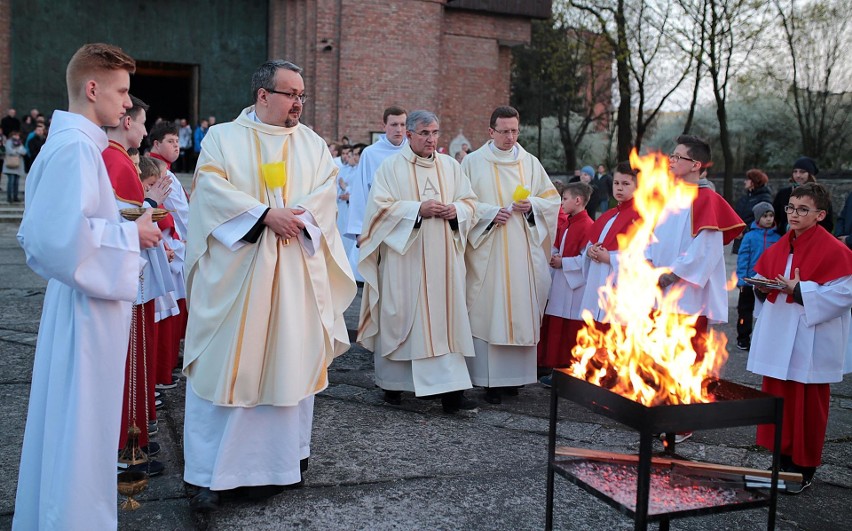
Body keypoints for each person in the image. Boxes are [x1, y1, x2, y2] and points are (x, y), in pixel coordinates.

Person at [182, 59, 355, 511]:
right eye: (290, 94)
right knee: (229, 367)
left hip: (295, 278)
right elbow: (211, 194)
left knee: (288, 362)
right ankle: (212, 473)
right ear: (263, 95)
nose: (299, 102)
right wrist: (263, 215)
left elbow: (323, 195)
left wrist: (293, 217)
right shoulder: (222, 138)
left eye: (302, 95)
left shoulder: (314, 144)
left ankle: (280, 465)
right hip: (240, 281)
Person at [13, 42, 162, 531]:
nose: (126, 103)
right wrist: (132, 232)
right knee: (79, 428)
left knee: (82, 425)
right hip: (85, 309)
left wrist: (126, 223)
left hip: (87, 304)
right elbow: (54, 239)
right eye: (121, 91)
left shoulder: (80, 145)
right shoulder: (76, 147)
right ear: (92, 88)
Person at [357, 110, 478, 413]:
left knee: (444, 321)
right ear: (409, 135)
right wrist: (416, 211)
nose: (431, 139)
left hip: (443, 261)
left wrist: (456, 212)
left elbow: (470, 202)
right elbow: (378, 212)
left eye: (435, 132)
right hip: (405, 260)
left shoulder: (451, 166)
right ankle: (394, 385)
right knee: (402, 316)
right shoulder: (390, 168)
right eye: (424, 133)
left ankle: (451, 392)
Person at [747, 183, 852, 494]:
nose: (793, 214)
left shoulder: (837, 251)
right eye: (790, 207)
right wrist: (762, 288)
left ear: (819, 214)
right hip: (781, 335)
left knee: (808, 406)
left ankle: (804, 469)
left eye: (802, 209)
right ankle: (779, 461)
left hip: (812, 339)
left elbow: (844, 293)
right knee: (778, 400)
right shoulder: (780, 246)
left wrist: (800, 290)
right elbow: (766, 282)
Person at [647, 135, 745, 444]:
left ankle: (683, 421)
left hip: (689, 297)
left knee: (687, 357)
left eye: (678, 157)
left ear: (696, 165)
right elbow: (652, 237)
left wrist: (674, 274)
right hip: (660, 292)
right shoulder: (669, 197)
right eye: (672, 156)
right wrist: (648, 264)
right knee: (660, 356)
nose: (671, 161)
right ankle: (661, 413)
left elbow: (707, 248)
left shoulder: (708, 200)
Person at [461, 106, 560, 403]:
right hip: (487, 251)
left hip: (523, 251)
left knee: (519, 309)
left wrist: (533, 208)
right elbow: (462, 202)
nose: (510, 137)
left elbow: (551, 200)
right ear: (491, 132)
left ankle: (515, 378)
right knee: (490, 311)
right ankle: (490, 381)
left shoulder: (529, 162)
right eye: (504, 131)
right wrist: (491, 214)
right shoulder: (472, 163)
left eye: (515, 131)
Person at [103, 95, 175, 474]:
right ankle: (125, 451)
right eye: (143, 122)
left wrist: (149, 205)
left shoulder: (120, 158)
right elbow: (123, 219)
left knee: (137, 362)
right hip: (128, 279)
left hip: (136, 276)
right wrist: (151, 202)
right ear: (126, 121)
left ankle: (136, 439)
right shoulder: (115, 160)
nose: (147, 131)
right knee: (129, 364)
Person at [537, 182, 594, 378]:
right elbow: (556, 245)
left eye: (565, 198)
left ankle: (566, 369)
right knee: (555, 324)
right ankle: (552, 366)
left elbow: (586, 258)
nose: (561, 202)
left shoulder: (588, 226)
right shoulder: (567, 222)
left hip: (573, 285)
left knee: (569, 328)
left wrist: (564, 263)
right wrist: (553, 257)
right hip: (560, 279)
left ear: (578, 200)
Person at [345, 106, 408, 281]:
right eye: (394, 124)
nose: (399, 129)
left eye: (403, 124)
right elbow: (360, 193)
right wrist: (359, 232)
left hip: (407, 222)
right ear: (384, 125)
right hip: (378, 224)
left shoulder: (412, 151)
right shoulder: (371, 154)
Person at [579, 162, 642, 325]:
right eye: (616, 183)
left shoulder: (642, 217)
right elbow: (590, 243)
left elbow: (644, 257)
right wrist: (590, 251)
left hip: (619, 290)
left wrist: (611, 258)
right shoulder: (608, 215)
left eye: (626, 184)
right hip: (598, 283)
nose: (619, 188)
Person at [734, 201, 780, 351]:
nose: (768, 219)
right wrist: (741, 279)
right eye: (765, 216)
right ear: (757, 218)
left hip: (767, 283)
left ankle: (764, 341)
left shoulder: (778, 238)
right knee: (745, 311)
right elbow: (743, 258)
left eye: (771, 215)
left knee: (766, 313)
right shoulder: (750, 237)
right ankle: (743, 338)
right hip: (749, 281)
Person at [148, 121, 191, 244]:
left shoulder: (163, 170)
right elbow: (179, 213)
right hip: (173, 243)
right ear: (156, 144)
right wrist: (192, 239)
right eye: (170, 141)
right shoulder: (161, 174)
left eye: (177, 141)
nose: (176, 146)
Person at [772, 157, 833, 235]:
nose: (798, 175)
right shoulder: (783, 193)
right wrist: (787, 228)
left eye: (802, 172)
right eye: (795, 171)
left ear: (810, 174)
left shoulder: (820, 195)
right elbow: (775, 219)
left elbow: (827, 224)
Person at [733, 169, 773, 253]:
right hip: (740, 241)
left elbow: (762, 219)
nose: (745, 182)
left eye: (747, 179)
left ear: (753, 181)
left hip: (755, 240)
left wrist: (744, 231)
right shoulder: (744, 199)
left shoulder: (764, 199)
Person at [3, 130, 27, 202]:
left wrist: (17, 151)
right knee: (11, 181)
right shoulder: (9, 142)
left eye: (18, 135)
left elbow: (24, 151)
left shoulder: (20, 143)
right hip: (10, 165)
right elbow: (9, 151)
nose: (17, 136)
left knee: (16, 182)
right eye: (15, 135)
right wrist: (18, 151)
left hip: (18, 166)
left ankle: (15, 196)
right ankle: (9, 197)